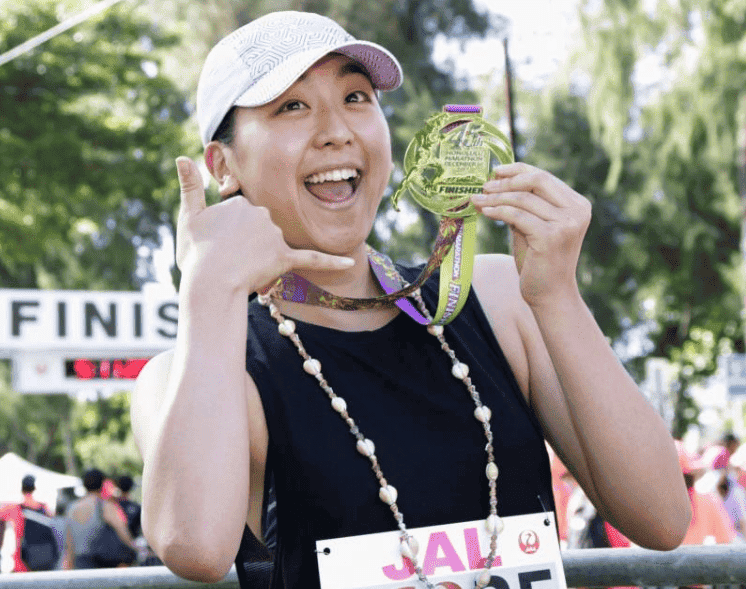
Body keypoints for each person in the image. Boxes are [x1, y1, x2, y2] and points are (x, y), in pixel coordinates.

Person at [131, 10, 691, 589]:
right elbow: (192, 546)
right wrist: (208, 288)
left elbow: (662, 518)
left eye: (355, 97)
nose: (336, 130)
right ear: (223, 165)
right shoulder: (192, 372)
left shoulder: (499, 297)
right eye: (291, 107)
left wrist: (557, 296)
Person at [62, 468, 137, 570]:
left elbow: (69, 542)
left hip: (79, 564)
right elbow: (122, 530)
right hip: (101, 564)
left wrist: (68, 566)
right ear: (102, 483)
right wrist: (135, 548)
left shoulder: (72, 508)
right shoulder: (105, 505)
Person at [0, 475, 53, 572]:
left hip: (22, 563)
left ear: (21, 489)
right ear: (35, 488)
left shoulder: (15, 509)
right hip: (47, 560)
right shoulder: (45, 509)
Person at [115, 476, 142, 540]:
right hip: (133, 542)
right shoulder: (137, 507)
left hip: (115, 543)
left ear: (118, 486)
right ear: (131, 487)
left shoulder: (112, 505)